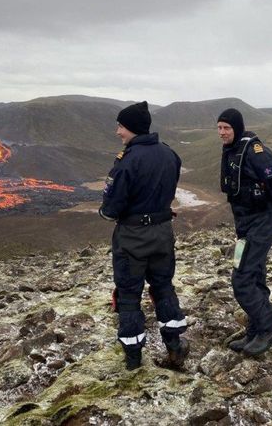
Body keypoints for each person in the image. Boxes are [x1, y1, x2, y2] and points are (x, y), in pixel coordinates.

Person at [99, 101, 189, 370]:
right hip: (162, 234)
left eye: (121, 126)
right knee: (163, 288)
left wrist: (107, 211)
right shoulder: (170, 154)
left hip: (133, 238)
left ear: (133, 128)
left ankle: (133, 360)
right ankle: (174, 345)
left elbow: (112, 207)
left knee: (128, 295)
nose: (118, 132)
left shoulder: (127, 161)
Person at [217, 108, 272, 356]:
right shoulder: (231, 151)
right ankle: (255, 331)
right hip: (245, 224)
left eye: (226, 128)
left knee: (242, 279)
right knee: (255, 274)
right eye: (219, 128)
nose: (222, 133)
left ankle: (268, 326)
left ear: (236, 128)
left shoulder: (255, 152)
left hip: (262, 220)